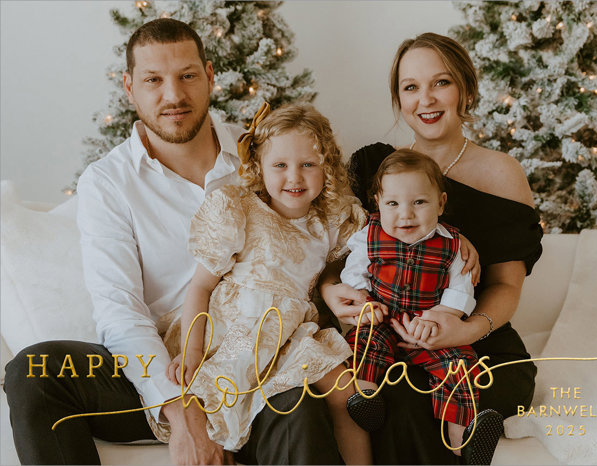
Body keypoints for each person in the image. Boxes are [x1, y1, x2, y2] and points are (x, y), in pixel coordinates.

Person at [3, 18, 343, 465]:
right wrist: (182, 413)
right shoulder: (108, 182)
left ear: (209, 76)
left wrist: (331, 283)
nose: (173, 95)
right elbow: (119, 310)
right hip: (160, 364)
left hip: (257, 357)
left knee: (300, 405)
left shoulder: (265, 153)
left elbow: (320, 234)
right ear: (129, 87)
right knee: (35, 371)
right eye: (153, 80)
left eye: (186, 76)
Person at [319, 32, 542, 464]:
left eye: (441, 82)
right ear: (398, 98)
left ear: (466, 89)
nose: (426, 99)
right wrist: (332, 291)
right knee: (396, 400)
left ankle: (468, 435)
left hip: (474, 334)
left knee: (475, 390)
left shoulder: (501, 173)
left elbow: (506, 286)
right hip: (391, 330)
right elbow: (347, 255)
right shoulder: (377, 167)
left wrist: (465, 330)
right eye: (410, 87)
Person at [158, 102, 371, 464]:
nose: (294, 177)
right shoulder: (240, 209)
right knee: (222, 403)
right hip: (236, 328)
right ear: (259, 166)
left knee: (345, 393)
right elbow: (201, 287)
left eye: (308, 165)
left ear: (327, 167)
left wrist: (453, 240)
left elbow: (366, 253)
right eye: (280, 166)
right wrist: (192, 349)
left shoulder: (331, 222)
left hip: (291, 336)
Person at [340, 149, 503, 461]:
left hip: (430, 329)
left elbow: (461, 290)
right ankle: (365, 398)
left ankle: (463, 440)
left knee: (459, 366)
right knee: (361, 343)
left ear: (440, 203)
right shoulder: (368, 237)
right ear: (378, 203)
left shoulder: (454, 246)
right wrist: (365, 303)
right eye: (393, 204)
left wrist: (438, 317)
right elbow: (353, 274)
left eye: (419, 202)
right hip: (383, 320)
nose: (406, 214)